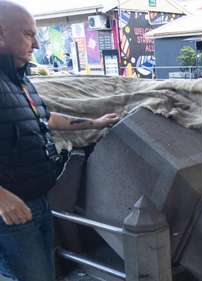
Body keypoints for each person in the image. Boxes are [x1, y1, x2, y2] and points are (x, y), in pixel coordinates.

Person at [0, 1, 120, 280]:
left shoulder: (19, 79)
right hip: (9, 212)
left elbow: (44, 117)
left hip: (38, 200)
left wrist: (95, 122)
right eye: (29, 35)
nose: (37, 45)